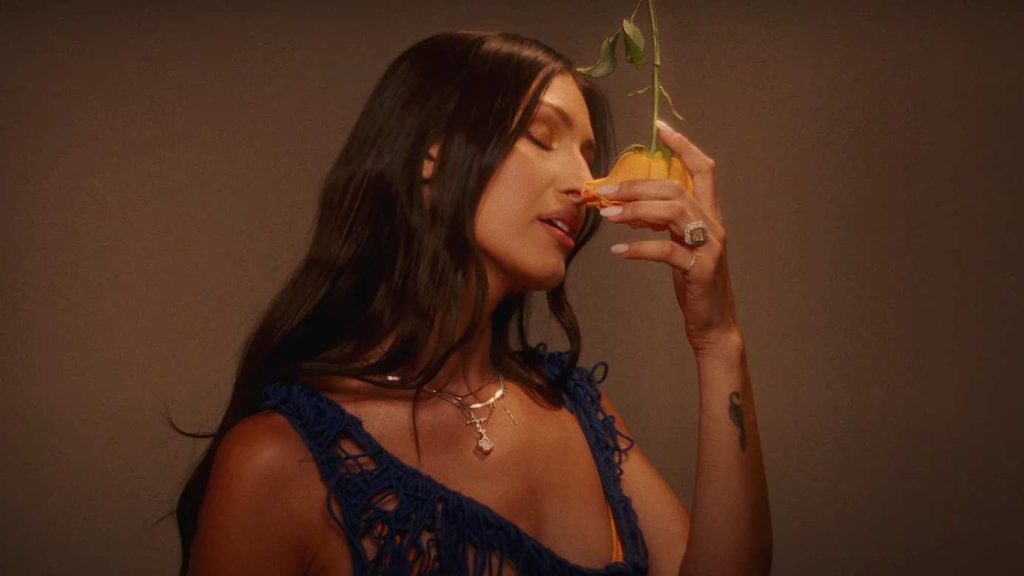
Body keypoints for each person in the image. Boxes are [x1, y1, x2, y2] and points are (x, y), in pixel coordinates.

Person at [174, 31, 771, 575]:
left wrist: (718, 339)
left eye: (588, 157)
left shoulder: (575, 409)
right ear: (430, 156)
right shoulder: (281, 461)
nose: (584, 185)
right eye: (542, 137)